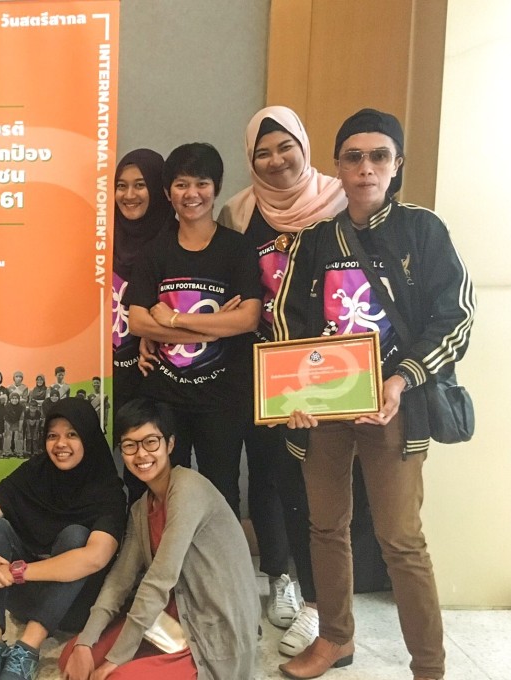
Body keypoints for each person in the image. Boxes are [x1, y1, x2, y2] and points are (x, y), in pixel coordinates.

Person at [272, 109, 475, 680]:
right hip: (324, 409)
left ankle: (429, 667)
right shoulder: (315, 240)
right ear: (337, 167)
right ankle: (335, 639)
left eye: (378, 156)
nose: (365, 168)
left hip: (395, 406)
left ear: (397, 165)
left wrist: (402, 376)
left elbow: (455, 316)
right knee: (326, 526)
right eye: (353, 156)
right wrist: (293, 390)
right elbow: (287, 317)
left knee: (400, 541)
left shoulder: (422, 230)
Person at [218, 106, 349, 653]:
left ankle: (323, 606)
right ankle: (282, 579)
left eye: (284, 147)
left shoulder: (340, 201)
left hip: (326, 370)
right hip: (255, 365)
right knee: (266, 475)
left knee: (313, 486)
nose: (275, 162)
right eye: (261, 153)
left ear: (303, 145)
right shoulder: (238, 213)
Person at [59, 399, 259, 680]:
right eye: (130, 445)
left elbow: (159, 580)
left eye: (151, 442)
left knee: (114, 676)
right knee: (72, 657)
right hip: (168, 616)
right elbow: (119, 580)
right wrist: (84, 642)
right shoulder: (142, 507)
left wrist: (117, 659)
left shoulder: (188, 488)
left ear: (170, 444)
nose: (141, 454)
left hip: (210, 628)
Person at [125, 143, 261, 515]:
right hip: (165, 396)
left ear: (215, 188)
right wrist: (214, 329)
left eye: (201, 183)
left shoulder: (237, 249)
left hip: (223, 396)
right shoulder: (156, 252)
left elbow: (248, 318)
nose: (192, 194)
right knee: (161, 490)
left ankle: (219, 572)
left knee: (222, 490)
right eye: (181, 185)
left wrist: (174, 320)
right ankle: (164, 569)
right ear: (168, 193)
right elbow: (138, 321)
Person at [0, 398, 127, 680]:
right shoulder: (35, 471)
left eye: (72, 434)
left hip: (73, 606)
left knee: (77, 536)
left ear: (88, 436)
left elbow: (95, 557)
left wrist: (18, 572)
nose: (61, 444)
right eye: (53, 435)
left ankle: (27, 648)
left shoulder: (107, 488)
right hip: (21, 596)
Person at [111, 149, 168, 415]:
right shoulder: (102, 239)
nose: (129, 195)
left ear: (158, 188)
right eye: (121, 186)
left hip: (159, 375)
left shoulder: (177, 241)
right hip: (106, 373)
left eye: (140, 185)